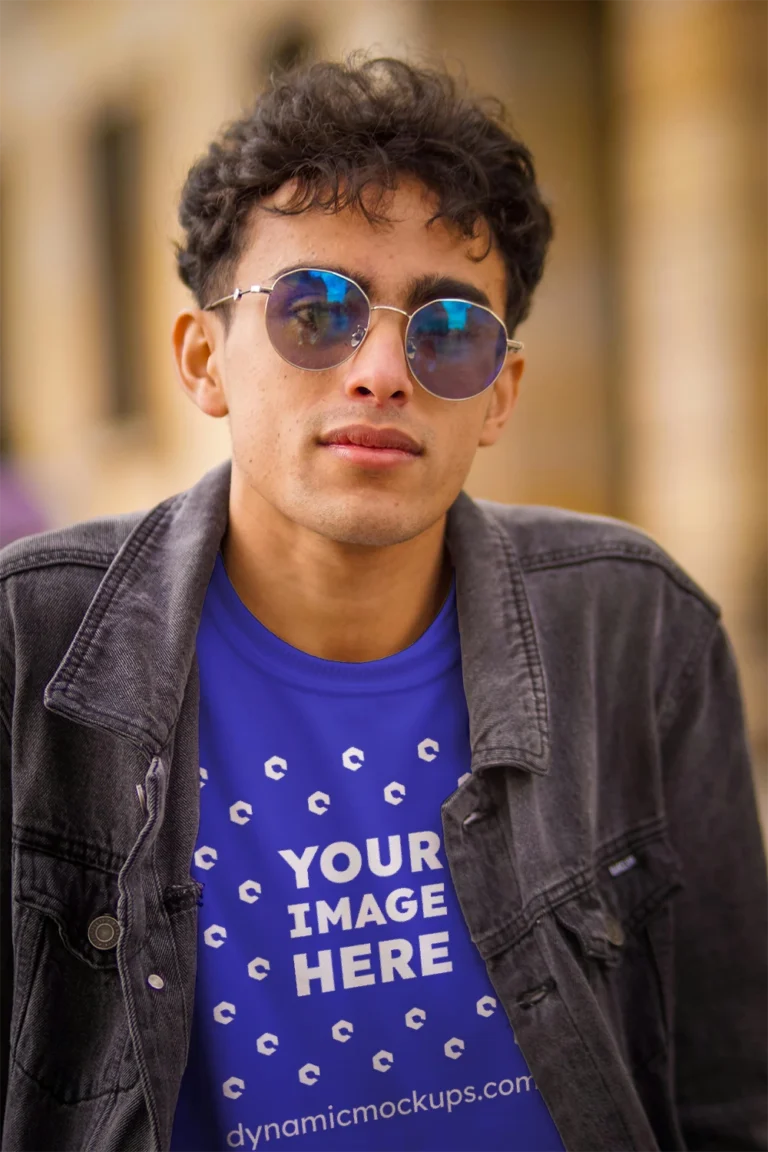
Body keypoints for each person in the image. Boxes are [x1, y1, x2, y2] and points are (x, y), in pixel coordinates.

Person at [0, 56, 766, 1152]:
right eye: (316, 311)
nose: (382, 368)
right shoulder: (29, 645)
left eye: (450, 330)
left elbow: (728, 1093)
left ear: (499, 393)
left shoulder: (634, 627)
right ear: (204, 358)